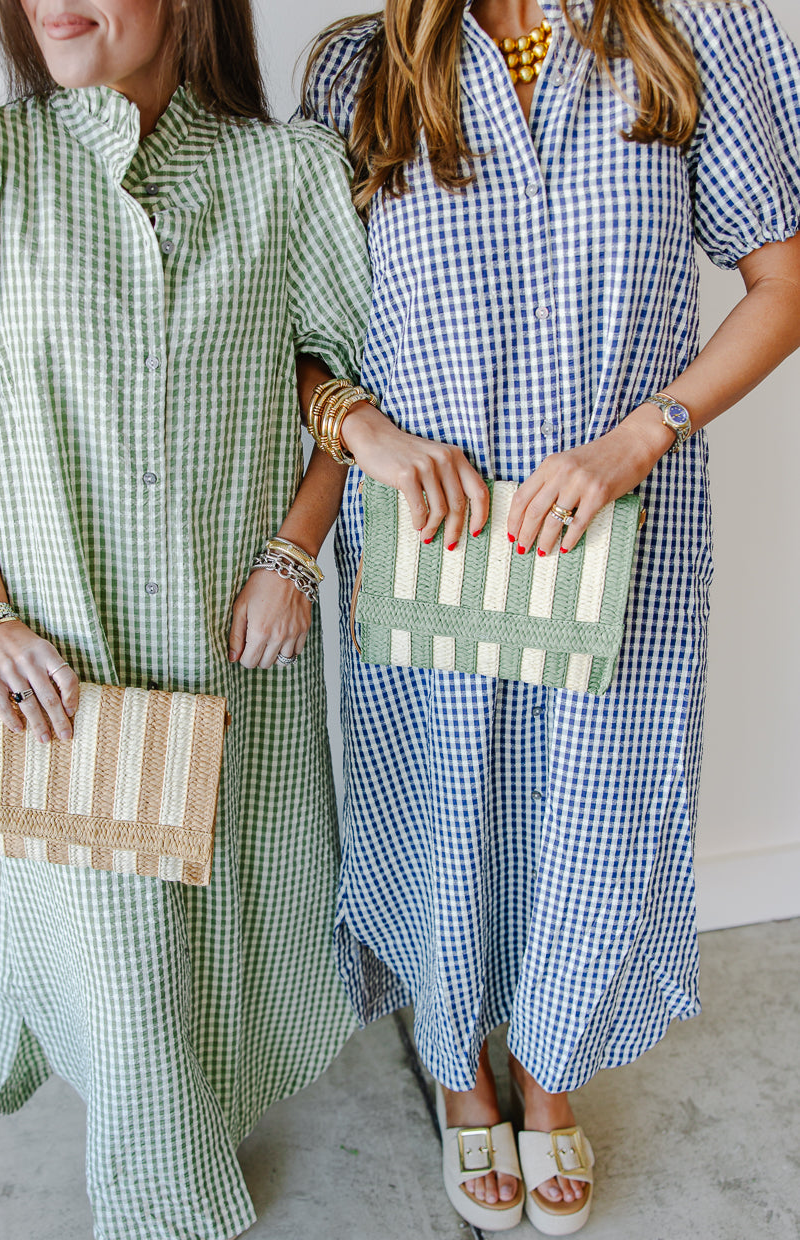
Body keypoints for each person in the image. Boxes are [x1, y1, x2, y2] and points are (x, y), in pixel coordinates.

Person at [0, 1, 371, 1236]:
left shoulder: (286, 172)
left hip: (233, 644)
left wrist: (294, 559)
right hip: (68, 662)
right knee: (120, 954)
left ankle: (187, 1134)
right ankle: (160, 1198)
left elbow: (345, 395)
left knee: (231, 928)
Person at [300, 0, 800, 1232]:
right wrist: (372, 433)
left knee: (599, 806)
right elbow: (293, 330)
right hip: (430, 547)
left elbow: (782, 283)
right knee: (439, 804)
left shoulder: (697, 31)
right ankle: (463, 1077)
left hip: (622, 535)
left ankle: (550, 1072)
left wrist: (641, 438)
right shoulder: (360, 69)